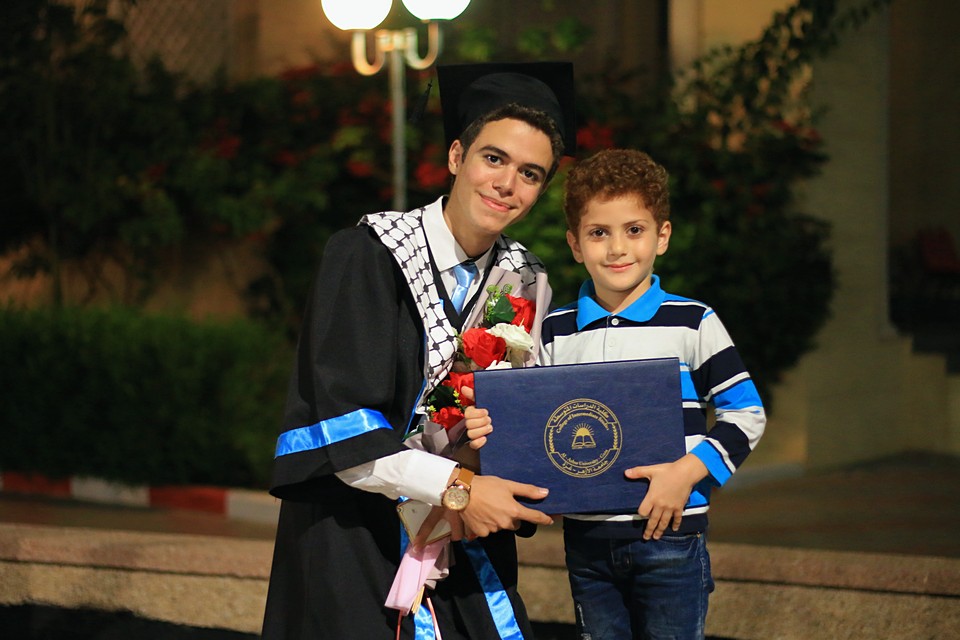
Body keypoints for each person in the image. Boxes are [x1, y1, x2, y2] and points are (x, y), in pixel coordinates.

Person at [260, 62, 577, 640]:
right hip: (356, 538)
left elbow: (523, 417)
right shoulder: (369, 255)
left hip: (464, 542)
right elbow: (344, 431)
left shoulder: (525, 280)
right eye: (494, 158)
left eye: (530, 173)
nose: (507, 183)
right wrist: (460, 487)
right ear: (456, 156)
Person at [467, 148, 767, 639]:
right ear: (575, 244)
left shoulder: (694, 321)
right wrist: (488, 429)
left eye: (634, 230)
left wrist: (687, 474)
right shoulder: (555, 330)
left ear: (662, 236)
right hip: (586, 542)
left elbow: (746, 414)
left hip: (671, 533)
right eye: (599, 233)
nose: (617, 248)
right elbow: (533, 426)